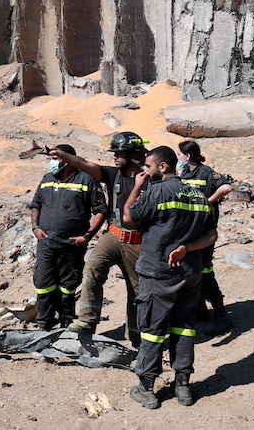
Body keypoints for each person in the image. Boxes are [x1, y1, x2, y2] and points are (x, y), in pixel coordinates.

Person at [123, 145, 217, 409]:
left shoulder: (157, 190)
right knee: (185, 328)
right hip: (190, 273)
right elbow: (211, 236)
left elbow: (128, 216)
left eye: (148, 167)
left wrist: (136, 186)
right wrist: (187, 248)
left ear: (163, 166)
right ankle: (183, 386)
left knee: (152, 331)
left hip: (159, 273)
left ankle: (147, 388)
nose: (145, 171)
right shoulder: (198, 196)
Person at [50, 131, 148, 346]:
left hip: (138, 242)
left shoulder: (149, 181)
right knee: (92, 268)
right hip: (112, 236)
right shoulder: (113, 175)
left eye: (118, 153)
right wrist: (60, 154)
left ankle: (136, 337)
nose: (114, 157)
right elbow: (84, 163)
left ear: (131, 154)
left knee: (137, 291)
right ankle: (87, 321)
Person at [29, 144, 108, 330]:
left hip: (71, 245)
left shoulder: (86, 180)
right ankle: (44, 325)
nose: (52, 163)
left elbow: (101, 211)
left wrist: (87, 237)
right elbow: (36, 205)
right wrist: (35, 227)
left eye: (56, 159)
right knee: (43, 284)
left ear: (68, 160)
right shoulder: (47, 179)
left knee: (67, 286)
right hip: (46, 243)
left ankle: (66, 324)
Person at [178, 140, 235, 336]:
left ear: (187, 156)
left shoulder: (207, 172)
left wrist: (207, 202)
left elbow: (226, 188)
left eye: (180, 155)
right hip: (188, 230)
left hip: (204, 232)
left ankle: (221, 315)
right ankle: (200, 312)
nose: (178, 158)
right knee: (192, 272)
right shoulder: (184, 174)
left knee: (205, 271)